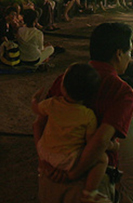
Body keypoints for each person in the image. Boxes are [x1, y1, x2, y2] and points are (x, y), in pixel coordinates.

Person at [35, 22, 133, 202]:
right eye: (130, 52)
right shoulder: (122, 91)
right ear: (119, 54)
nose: (131, 58)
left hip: (50, 175)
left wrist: (45, 162)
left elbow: (39, 123)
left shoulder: (66, 78)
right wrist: (73, 174)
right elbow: (100, 140)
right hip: (88, 182)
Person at [32, 63, 110, 203]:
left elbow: (37, 110)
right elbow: (91, 142)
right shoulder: (88, 115)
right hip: (67, 160)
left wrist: (35, 99)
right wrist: (111, 145)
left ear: (62, 87)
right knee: (102, 158)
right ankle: (89, 193)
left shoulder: (52, 103)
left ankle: (40, 170)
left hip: (44, 152)